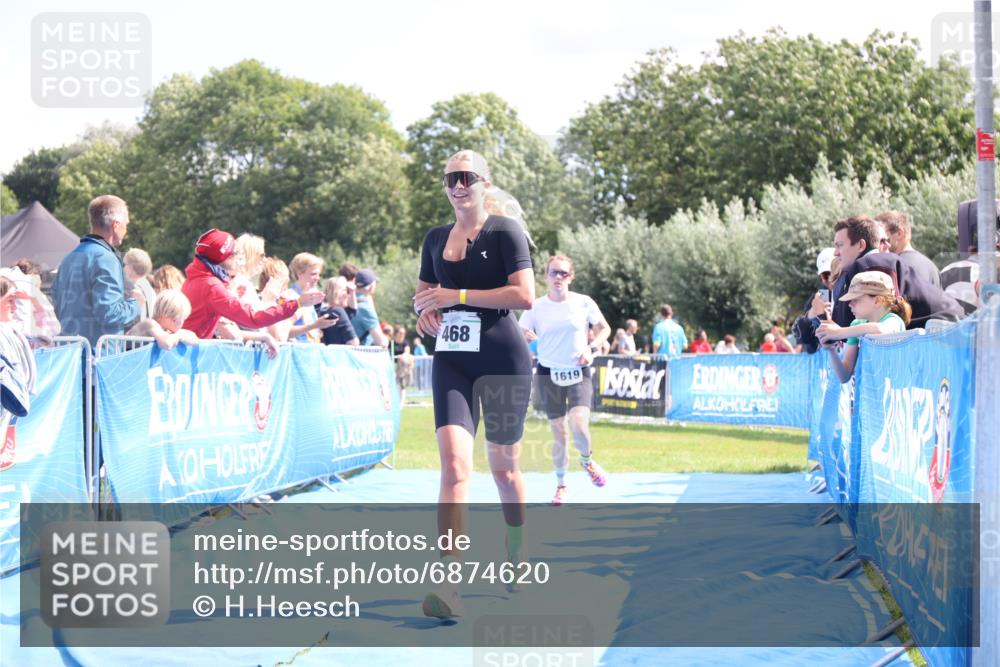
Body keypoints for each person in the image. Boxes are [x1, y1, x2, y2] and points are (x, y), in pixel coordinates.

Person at [413, 149, 534, 618]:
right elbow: (424, 296)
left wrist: (456, 295)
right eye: (450, 178)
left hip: (502, 355)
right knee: (455, 468)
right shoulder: (434, 237)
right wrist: (426, 312)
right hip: (453, 360)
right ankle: (449, 584)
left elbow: (524, 295)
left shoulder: (505, 231)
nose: (458, 185)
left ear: (485, 183)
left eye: (467, 177)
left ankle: (517, 547)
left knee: (504, 470)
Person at [519, 254, 611, 506]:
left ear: (571, 277)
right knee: (559, 433)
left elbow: (605, 328)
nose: (558, 277)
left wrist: (591, 349)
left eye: (563, 273)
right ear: (546, 276)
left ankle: (587, 461)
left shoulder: (583, 302)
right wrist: (524, 334)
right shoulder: (536, 306)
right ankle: (561, 486)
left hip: (578, 371)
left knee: (579, 425)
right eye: (553, 272)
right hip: (549, 374)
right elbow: (519, 330)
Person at [180, 229, 324, 339]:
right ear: (222, 259)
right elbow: (254, 318)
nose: (239, 256)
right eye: (234, 253)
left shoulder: (197, 279)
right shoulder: (213, 286)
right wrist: (297, 303)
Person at [830, 215, 962, 329]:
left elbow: (842, 327)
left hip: (943, 327)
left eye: (840, 245)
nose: (835, 253)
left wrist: (834, 330)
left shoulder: (867, 265)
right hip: (949, 321)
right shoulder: (880, 262)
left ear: (861, 245)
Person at [52, 195, 143, 347]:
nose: (126, 230)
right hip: (98, 358)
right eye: (126, 224)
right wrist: (136, 305)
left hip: (69, 354)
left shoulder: (68, 259)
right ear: (116, 225)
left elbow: (58, 306)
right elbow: (109, 313)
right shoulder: (106, 258)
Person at [817, 271, 911, 383]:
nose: (850, 304)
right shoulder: (856, 325)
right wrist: (831, 349)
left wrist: (839, 332)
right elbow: (844, 376)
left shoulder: (894, 321)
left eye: (856, 299)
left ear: (878, 301)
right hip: (865, 399)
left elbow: (880, 330)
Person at [876, 210, 941, 288]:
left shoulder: (897, 266)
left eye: (884, 238)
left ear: (899, 234)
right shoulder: (932, 267)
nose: (878, 243)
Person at [126, 289, 200, 350]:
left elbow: (194, 338)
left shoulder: (163, 330)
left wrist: (179, 334)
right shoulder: (149, 324)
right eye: (183, 319)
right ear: (174, 320)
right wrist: (179, 336)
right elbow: (167, 344)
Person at [288, 253, 336, 343]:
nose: (317, 278)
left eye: (319, 274)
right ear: (299, 274)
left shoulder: (311, 296)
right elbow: (284, 331)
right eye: (313, 274)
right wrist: (314, 326)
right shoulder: (288, 297)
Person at [351, 269, 389, 347]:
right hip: (361, 355)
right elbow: (381, 342)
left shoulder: (346, 301)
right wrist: (386, 339)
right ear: (371, 287)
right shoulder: (365, 308)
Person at [318, 277, 359, 346]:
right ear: (340, 293)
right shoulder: (338, 311)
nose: (348, 295)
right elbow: (353, 342)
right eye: (347, 291)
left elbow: (352, 311)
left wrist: (352, 292)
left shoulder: (324, 311)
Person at [123, 248, 157, 319]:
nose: (122, 267)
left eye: (124, 264)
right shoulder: (149, 288)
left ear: (131, 267)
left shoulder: (128, 288)